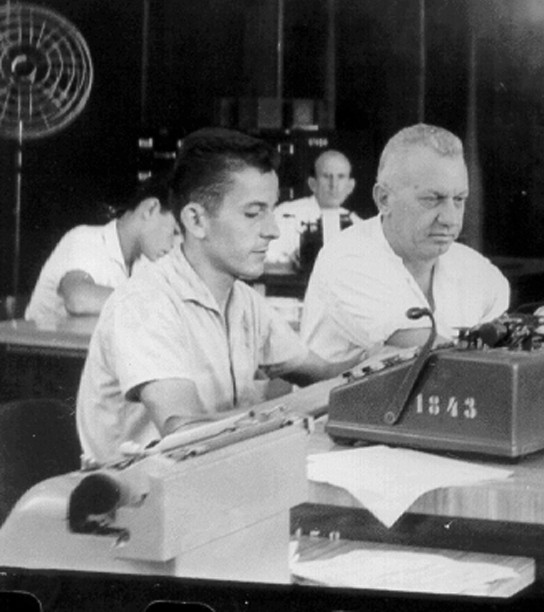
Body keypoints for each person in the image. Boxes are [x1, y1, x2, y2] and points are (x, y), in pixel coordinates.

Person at [76, 128, 345, 465]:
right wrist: (291, 410)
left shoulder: (244, 301)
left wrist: (378, 361)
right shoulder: (145, 303)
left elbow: (325, 374)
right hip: (136, 499)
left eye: (271, 210)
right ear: (196, 220)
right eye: (253, 213)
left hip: (216, 478)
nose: (273, 229)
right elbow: (184, 432)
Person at [301, 124, 510, 368]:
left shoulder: (476, 269)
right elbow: (439, 359)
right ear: (384, 199)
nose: (450, 219)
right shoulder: (347, 259)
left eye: (459, 200)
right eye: (432, 199)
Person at [24, 175, 179, 323]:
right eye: (174, 232)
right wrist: (153, 302)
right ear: (151, 208)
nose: (173, 245)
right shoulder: (85, 238)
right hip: (37, 348)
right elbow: (78, 299)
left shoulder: (143, 262)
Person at [265, 149, 360, 266]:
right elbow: (267, 257)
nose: (334, 184)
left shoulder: (357, 223)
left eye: (341, 177)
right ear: (312, 183)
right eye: (326, 176)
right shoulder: (286, 214)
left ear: (350, 186)